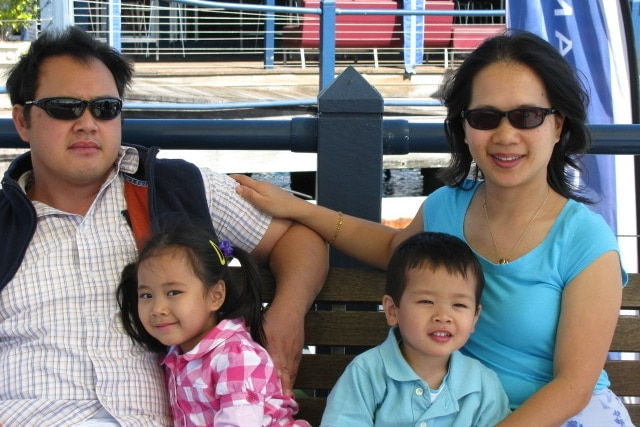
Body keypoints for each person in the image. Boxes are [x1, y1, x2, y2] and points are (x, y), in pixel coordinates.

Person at [234, 29, 635, 426]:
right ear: (464, 127)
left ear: (558, 125)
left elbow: (573, 387)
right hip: (460, 411)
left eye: (527, 116)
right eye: (484, 117)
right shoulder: (447, 207)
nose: (506, 135)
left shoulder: (585, 240)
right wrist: (299, 210)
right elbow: (391, 247)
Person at [0, 26, 327, 426]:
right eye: (65, 107)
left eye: (104, 108)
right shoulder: (5, 223)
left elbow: (298, 238)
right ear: (23, 121)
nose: (87, 123)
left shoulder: (175, 188)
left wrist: (286, 315)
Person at [117, 223, 311, 427]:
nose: (157, 308)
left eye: (173, 292)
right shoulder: (176, 354)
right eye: (146, 295)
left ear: (215, 296)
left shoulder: (235, 356)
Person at [320, 231, 510, 426]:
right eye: (427, 301)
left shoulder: (482, 384)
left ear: (474, 318)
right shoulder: (366, 373)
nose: (443, 316)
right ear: (393, 310)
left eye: (459, 305)